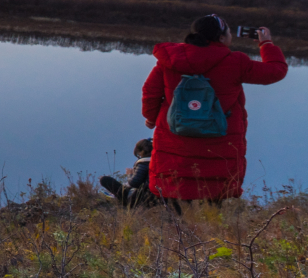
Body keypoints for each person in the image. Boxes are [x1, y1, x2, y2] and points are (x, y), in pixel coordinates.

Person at [141, 14, 287, 204]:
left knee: (174, 189)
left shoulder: (170, 59)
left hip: (174, 135)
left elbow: (151, 92)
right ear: (221, 38)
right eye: (228, 31)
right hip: (218, 140)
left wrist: (151, 118)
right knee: (210, 196)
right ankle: (205, 226)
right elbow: (275, 71)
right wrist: (266, 44)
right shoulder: (236, 62)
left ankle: (172, 222)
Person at [99, 138, 154, 207]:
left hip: (138, 198)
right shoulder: (158, 162)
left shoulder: (143, 163)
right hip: (155, 196)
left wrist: (130, 175)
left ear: (141, 151)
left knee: (104, 180)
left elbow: (134, 183)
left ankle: (120, 200)